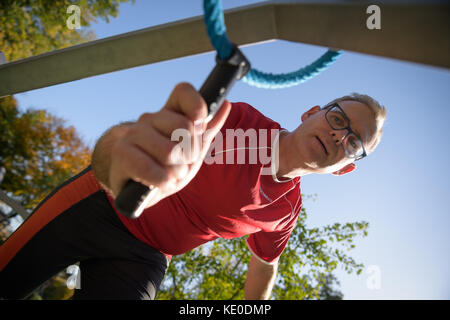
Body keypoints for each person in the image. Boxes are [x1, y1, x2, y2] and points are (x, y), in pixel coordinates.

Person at [0, 82, 386, 300]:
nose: (339, 134)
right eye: (337, 118)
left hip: (145, 258)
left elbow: (266, 267)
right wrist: (120, 152)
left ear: (345, 168)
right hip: (102, 205)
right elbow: (131, 144)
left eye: (353, 142)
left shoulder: (285, 211)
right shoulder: (239, 121)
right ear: (311, 112)